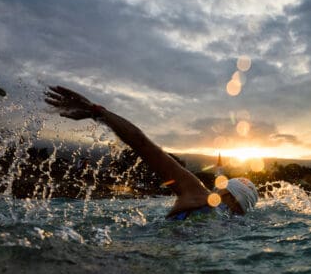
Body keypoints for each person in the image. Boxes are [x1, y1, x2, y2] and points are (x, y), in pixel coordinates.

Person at [45, 86, 259, 219]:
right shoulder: (231, 229)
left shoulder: (197, 193)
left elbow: (142, 144)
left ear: (224, 191)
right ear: (240, 209)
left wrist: (97, 111)